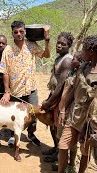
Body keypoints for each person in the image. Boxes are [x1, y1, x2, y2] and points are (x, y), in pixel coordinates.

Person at [57, 35, 97, 173]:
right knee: (63, 145)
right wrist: (63, 110)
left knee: (85, 152)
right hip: (74, 115)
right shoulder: (83, 67)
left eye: (84, 49)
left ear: (91, 52)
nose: (82, 52)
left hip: (89, 120)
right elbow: (73, 91)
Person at [0, 20, 50, 147]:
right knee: (14, 114)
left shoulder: (31, 45)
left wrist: (47, 39)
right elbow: (4, 71)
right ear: (12, 33)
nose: (18, 34)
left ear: (25, 31)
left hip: (31, 88)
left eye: (21, 31)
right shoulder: (8, 50)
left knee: (33, 113)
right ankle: (12, 136)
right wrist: (7, 91)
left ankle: (31, 134)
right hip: (16, 90)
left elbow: (46, 55)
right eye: (16, 32)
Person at [41, 32, 74, 163]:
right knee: (52, 125)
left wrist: (49, 102)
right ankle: (56, 148)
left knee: (58, 126)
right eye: (58, 43)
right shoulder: (59, 58)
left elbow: (61, 86)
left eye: (63, 44)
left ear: (69, 46)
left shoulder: (67, 60)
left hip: (62, 99)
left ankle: (60, 155)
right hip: (55, 96)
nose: (59, 46)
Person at [51, 52, 82, 171]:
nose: (71, 60)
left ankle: (71, 165)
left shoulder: (79, 76)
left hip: (71, 112)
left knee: (71, 142)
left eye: (74, 59)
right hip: (63, 109)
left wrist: (64, 110)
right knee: (60, 136)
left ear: (80, 63)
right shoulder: (70, 73)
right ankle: (62, 163)